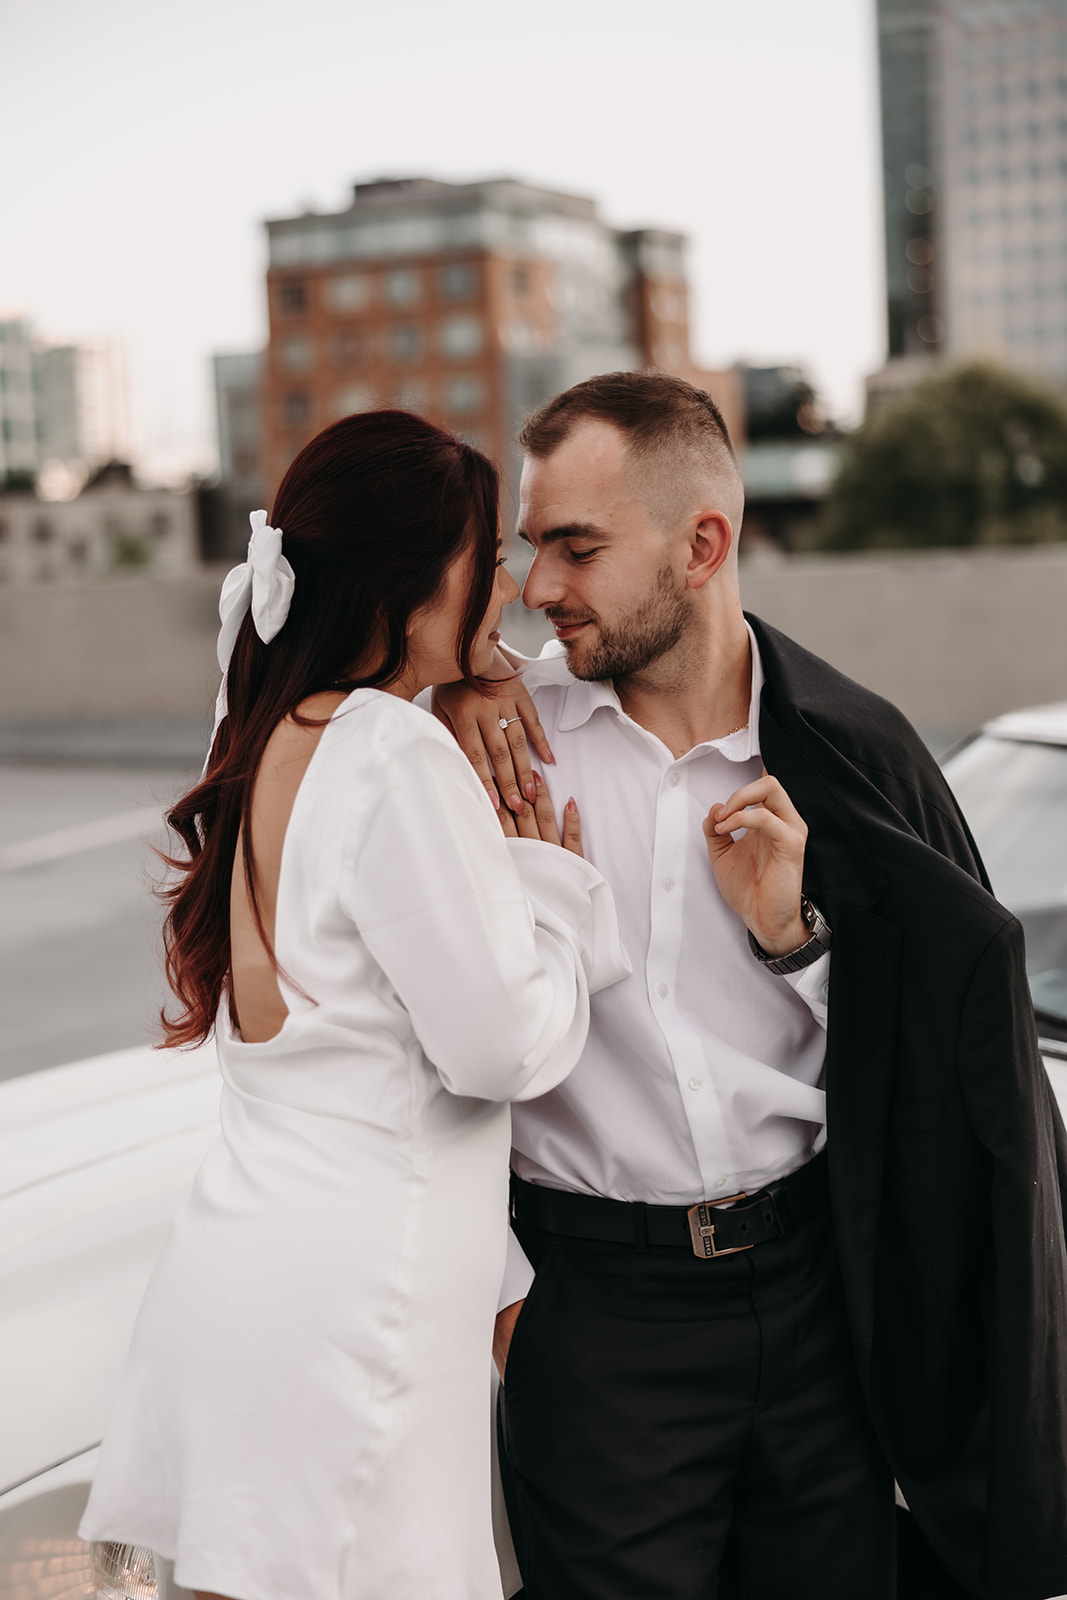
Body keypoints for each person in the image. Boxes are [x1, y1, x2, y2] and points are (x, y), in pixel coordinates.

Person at [433, 371, 1067, 1600]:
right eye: (531, 548)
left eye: (576, 546)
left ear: (701, 545)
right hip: (594, 1319)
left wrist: (793, 938)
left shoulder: (851, 749)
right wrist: (517, 1313)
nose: (536, 587)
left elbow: (932, 1048)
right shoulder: (495, 744)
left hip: (817, 1301)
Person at [78, 409, 630, 1600]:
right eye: (487, 562)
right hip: (352, 1313)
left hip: (239, 1275)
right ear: (414, 574)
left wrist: (453, 675)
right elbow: (497, 1048)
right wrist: (553, 895)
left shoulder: (269, 729)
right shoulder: (387, 752)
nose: (509, 594)